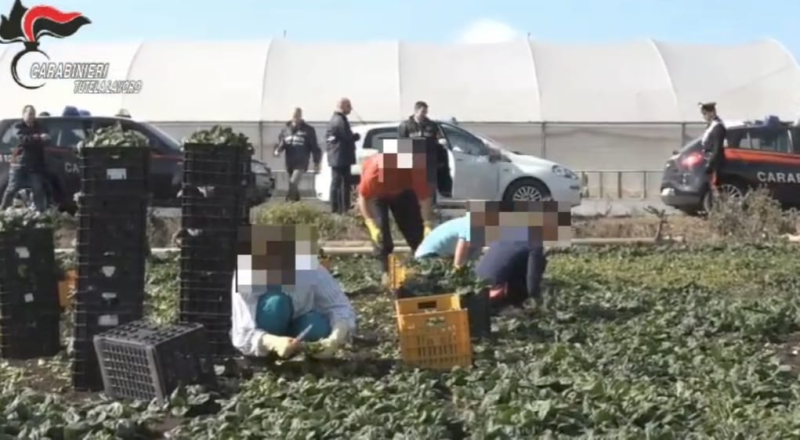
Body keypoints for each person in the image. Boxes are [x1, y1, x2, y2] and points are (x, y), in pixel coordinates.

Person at [231, 225, 357, 359]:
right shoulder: (248, 273)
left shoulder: (308, 266)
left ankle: (301, 352)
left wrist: (335, 338)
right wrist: (272, 342)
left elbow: (339, 306)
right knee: (276, 304)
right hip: (267, 325)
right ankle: (270, 356)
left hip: (299, 323)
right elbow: (242, 333)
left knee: (317, 328)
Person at [358, 139, 434, 284]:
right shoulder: (375, 169)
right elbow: (363, 198)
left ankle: (424, 268)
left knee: (416, 233)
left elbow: (424, 198)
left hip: (402, 193)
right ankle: (385, 273)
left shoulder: (413, 168)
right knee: (382, 235)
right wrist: (370, 223)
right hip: (378, 197)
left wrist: (427, 223)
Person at [474, 201, 568, 312]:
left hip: (475, 286)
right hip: (493, 295)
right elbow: (532, 286)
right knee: (536, 265)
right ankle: (513, 308)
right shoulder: (535, 243)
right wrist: (537, 305)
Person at [397, 101, 451, 201]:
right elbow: (401, 145)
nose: (424, 114)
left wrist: (441, 140)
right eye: (422, 111)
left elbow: (439, 138)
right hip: (413, 162)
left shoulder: (432, 125)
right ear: (416, 111)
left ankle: (431, 209)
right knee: (413, 188)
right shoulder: (405, 125)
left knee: (430, 188)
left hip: (429, 162)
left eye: (426, 112)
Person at [1, 105, 50, 212]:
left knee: (38, 189)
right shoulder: (18, 126)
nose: (31, 116)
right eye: (29, 114)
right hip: (19, 163)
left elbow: (46, 136)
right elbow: (23, 139)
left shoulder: (39, 126)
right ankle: (3, 210)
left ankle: (40, 213)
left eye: (33, 114)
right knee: (12, 188)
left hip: (35, 163)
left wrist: (42, 137)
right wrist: (38, 138)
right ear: (23, 115)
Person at [274, 108, 322, 202]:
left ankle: (289, 203)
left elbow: (314, 147)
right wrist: (278, 150)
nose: (296, 118)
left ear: (301, 116)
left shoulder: (308, 130)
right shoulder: (285, 130)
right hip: (289, 162)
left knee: (293, 182)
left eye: (298, 116)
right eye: (294, 116)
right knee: (293, 185)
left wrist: (316, 162)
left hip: (301, 162)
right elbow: (282, 143)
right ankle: (296, 204)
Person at [325, 98, 360, 214]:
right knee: (341, 182)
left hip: (338, 155)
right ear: (342, 106)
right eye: (349, 106)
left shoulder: (336, 119)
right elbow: (346, 136)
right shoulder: (339, 120)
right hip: (340, 155)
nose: (351, 108)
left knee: (339, 182)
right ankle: (339, 208)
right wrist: (356, 137)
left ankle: (339, 208)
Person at [414, 212, 481, 268]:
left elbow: (473, 255)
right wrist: (458, 271)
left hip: (438, 256)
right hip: (428, 257)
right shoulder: (471, 225)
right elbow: (461, 250)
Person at [699, 102, 726, 189]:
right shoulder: (710, 127)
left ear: (712, 113)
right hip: (708, 159)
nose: (704, 117)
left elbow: (717, 149)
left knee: (714, 187)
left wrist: (710, 164)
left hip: (715, 163)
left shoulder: (718, 127)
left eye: (705, 114)